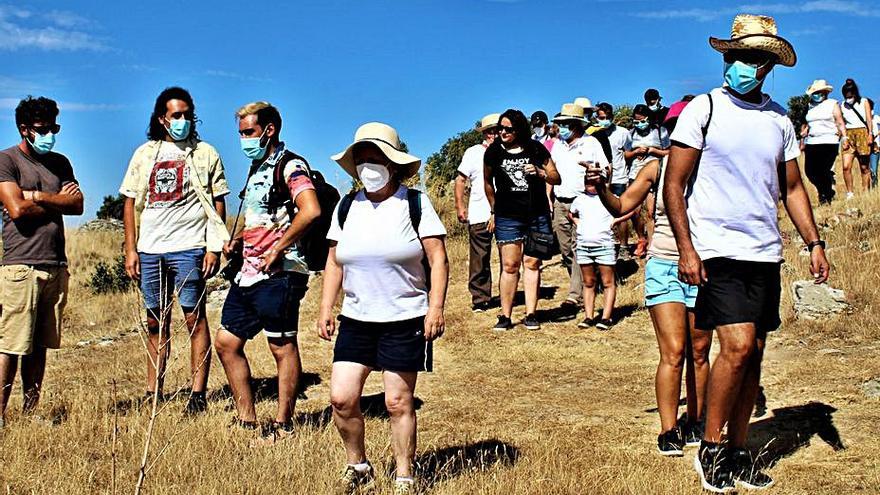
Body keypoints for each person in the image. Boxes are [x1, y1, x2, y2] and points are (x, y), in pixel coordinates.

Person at [664, 14, 829, 492]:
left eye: (755, 59)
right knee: (733, 347)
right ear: (725, 57)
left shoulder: (778, 118)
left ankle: (738, 452)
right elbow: (674, 185)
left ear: (767, 66)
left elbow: (792, 187)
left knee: (754, 354)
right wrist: (687, 249)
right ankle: (711, 450)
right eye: (738, 57)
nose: (745, 66)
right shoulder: (704, 110)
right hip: (718, 249)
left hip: (764, 252)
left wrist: (813, 242)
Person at [317, 122, 448, 495]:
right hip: (357, 318)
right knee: (341, 399)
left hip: (405, 317)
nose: (368, 167)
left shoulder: (415, 203)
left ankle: (405, 476)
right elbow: (334, 262)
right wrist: (326, 307)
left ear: (393, 163)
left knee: (397, 402)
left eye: (375, 159)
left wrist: (435, 308)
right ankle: (358, 465)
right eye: (362, 160)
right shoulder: (346, 207)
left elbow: (438, 260)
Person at [588, 100, 712, 457]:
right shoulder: (655, 168)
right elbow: (623, 206)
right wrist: (602, 188)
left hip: (704, 267)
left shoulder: (717, 168)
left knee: (699, 351)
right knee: (674, 351)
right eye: (674, 126)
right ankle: (669, 429)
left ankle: (696, 420)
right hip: (664, 264)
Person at [214, 102, 321, 441]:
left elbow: (311, 210)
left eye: (249, 132)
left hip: (281, 273)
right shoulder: (257, 167)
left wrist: (278, 248)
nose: (244, 140)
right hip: (248, 272)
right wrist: (239, 242)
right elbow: (262, 217)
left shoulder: (291, 166)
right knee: (227, 342)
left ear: (269, 129)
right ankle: (247, 419)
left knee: (281, 346)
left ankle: (283, 423)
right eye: (241, 134)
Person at [120, 87, 228, 414]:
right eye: (175, 115)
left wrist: (213, 248)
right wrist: (131, 249)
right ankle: (154, 391)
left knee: (194, 318)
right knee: (155, 321)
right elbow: (129, 201)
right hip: (151, 248)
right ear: (162, 119)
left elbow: (218, 201)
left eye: (187, 114)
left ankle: (197, 394)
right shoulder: (145, 154)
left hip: (190, 247)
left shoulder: (205, 152)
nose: (182, 120)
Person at [0, 96, 83, 429]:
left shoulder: (60, 162)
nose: (49, 134)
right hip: (21, 265)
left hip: (54, 263)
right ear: (25, 129)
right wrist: (56, 201)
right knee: (10, 344)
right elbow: (15, 210)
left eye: (54, 127)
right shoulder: (6, 161)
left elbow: (77, 204)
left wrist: (35, 196)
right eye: (42, 129)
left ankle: (31, 412)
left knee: (39, 345)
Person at [484, 109, 561, 331]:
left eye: (508, 129)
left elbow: (557, 177)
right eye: (500, 128)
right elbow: (488, 183)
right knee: (509, 265)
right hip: (507, 216)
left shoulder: (535, 148)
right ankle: (505, 316)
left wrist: (540, 173)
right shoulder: (493, 152)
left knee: (532, 263)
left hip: (536, 214)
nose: (503, 132)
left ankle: (531, 314)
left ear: (519, 129)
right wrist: (493, 209)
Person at [549, 103, 609, 311]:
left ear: (576, 124)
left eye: (566, 124)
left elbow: (606, 169)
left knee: (577, 248)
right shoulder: (557, 145)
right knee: (565, 248)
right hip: (560, 201)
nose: (562, 127)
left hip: (583, 201)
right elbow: (552, 173)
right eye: (560, 124)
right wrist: (549, 198)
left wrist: (597, 175)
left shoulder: (591, 143)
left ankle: (576, 296)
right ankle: (586, 283)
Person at [454, 113, 499, 312]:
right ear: (485, 133)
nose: (494, 135)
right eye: (490, 131)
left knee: (510, 258)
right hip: (480, 211)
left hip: (506, 212)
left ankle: (508, 295)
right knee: (479, 257)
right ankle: (480, 299)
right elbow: (461, 179)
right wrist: (460, 205)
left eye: (498, 130)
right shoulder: (473, 153)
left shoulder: (512, 151)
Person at [569, 177, 621, 330]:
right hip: (584, 246)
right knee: (589, 282)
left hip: (604, 245)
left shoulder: (610, 198)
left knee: (607, 282)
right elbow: (571, 213)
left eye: (593, 183)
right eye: (587, 182)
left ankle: (606, 317)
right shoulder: (579, 199)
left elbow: (629, 209)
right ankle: (589, 316)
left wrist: (615, 221)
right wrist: (577, 223)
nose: (589, 186)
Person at [594, 102, 641, 258]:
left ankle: (623, 246)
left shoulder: (622, 133)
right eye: (601, 117)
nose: (604, 120)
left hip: (619, 178)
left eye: (607, 117)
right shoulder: (593, 134)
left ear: (612, 117)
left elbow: (628, 153)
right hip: (601, 179)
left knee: (621, 214)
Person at [624, 104, 670, 257]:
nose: (639, 124)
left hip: (654, 175)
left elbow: (670, 151)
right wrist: (636, 151)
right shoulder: (630, 134)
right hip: (635, 175)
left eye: (642, 121)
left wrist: (653, 150)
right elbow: (625, 155)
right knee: (634, 211)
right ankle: (641, 238)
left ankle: (651, 245)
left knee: (651, 212)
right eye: (636, 121)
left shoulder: (660, 131)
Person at [802, 79, 847, 204]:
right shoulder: (810, 106)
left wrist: (845, 137)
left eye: (820, 92)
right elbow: (808, 123)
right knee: (810, 172)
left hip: (829, 141)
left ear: (825, 92)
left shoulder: (832, 104)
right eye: (815, 92)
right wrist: (805, 131)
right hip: (812, 142)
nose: (817, 95)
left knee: (823, 170)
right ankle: (826, 191)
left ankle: (825, 196)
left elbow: (839, 121)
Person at [840, 78, 874, 198]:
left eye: (849, 93)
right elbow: (841, 122)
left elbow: (869, 119)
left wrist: (870, 134)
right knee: (845, 166)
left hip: (862, 133)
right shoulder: (842, 105)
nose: (848, 95)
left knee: (864, 166)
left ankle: (866, 192)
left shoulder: (864, 101)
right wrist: (842, 137)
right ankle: (850, 193)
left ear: (854, 92)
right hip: (848, 135)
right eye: (845, 93)